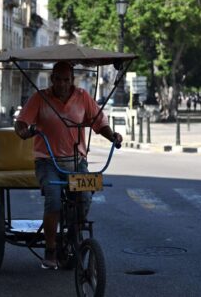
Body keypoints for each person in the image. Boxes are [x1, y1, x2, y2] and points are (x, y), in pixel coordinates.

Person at [14, 61, 122, 270]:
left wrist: (113, 137)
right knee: (54, 201)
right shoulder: (40, 98)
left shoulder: (83, 97)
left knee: (85, 198)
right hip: (47, 161)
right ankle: (50, 249)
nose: (62, 84)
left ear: (72, 80)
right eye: (58, 80)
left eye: (66, 80)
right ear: (52, 79)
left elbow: (99, 123)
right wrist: (23, 131)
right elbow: (21, 123)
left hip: (76, 161)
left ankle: (72, 234)